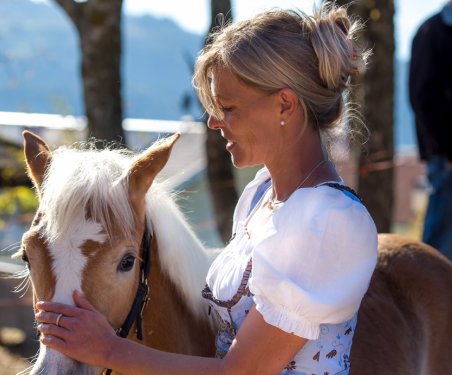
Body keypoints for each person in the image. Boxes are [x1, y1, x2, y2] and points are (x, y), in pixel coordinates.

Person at [35, 3, 378, 374]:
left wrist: (108, 350)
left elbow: (239, 371)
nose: (214, 122)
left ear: (285, 105)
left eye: (228, 107)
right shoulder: (260, 196)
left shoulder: (329, 221)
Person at [409, 1, 452, 260]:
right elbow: (422, 98)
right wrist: (447, 151)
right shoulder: (432, 32)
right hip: (446, 160)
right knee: (438, 249)